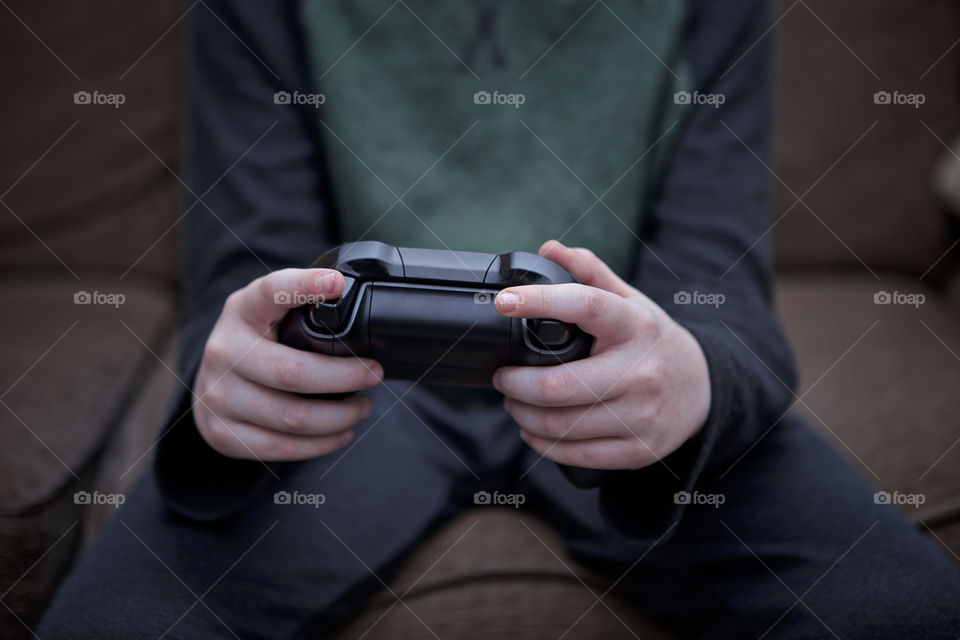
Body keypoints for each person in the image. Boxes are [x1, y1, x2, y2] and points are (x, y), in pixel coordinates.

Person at [40, 0, 960, 638]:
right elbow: (246, 276)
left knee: (909, 613)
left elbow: (722, 297)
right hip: (359, 392)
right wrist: (229, 378)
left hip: (619, 386)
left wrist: (697, 380)